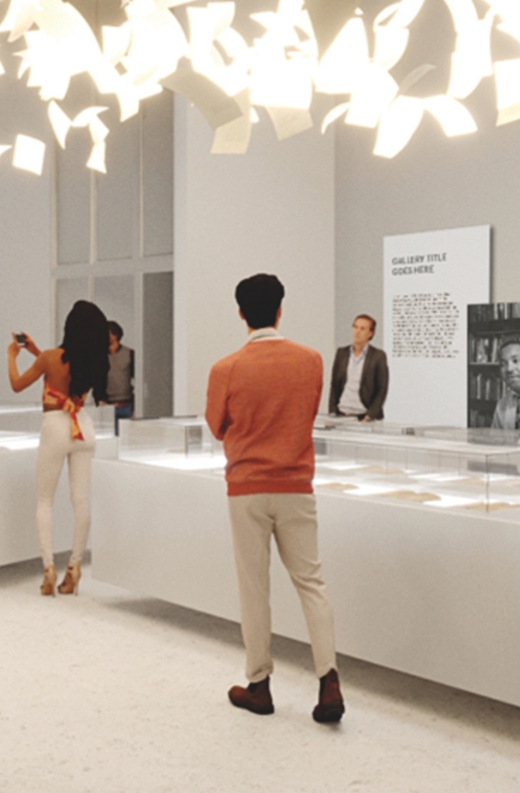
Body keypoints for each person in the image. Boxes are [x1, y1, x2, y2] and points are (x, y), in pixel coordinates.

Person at [206, 273, 343, 724]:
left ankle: (259, 684)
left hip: (246, 487)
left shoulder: (225, 369)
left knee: (254, 587)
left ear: (242, 313)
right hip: (296, 484)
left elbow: (216, 425)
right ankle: (328, 680)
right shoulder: (312, 361)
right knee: (311, 582)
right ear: (281, 309)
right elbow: (305, 413)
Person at [8, 300, 109, 597]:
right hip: (83, 427)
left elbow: (17, 384)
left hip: (54, 426)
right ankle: (75, 567)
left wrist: (13, 355)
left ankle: (48, 568)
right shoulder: (95, 361)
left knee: (44, 501)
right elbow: (67, 373)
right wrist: (37, 352)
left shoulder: (51, 358)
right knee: (81, 500)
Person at [327, 313, 388, 422]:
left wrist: (369, 416)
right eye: (355, 327)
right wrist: (332, 412)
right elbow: (334, 385)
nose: (357, 331)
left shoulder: (378, 356)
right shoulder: (342, 353)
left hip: (364, 415)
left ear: (370, 333)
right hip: (342, 413)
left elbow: (381, 389)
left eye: (362, 328)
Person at [489, 340, 520, 431]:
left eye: (515, 361)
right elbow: (496, 441)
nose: (509, 369)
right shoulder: (502, 405)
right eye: (503, 364)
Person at [107, 320, 135, 421]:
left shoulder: (129, 354)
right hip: (108, 406)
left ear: (115, 335)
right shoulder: (99, 357)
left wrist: (137, 407)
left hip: (127, 404)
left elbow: (138, 380)